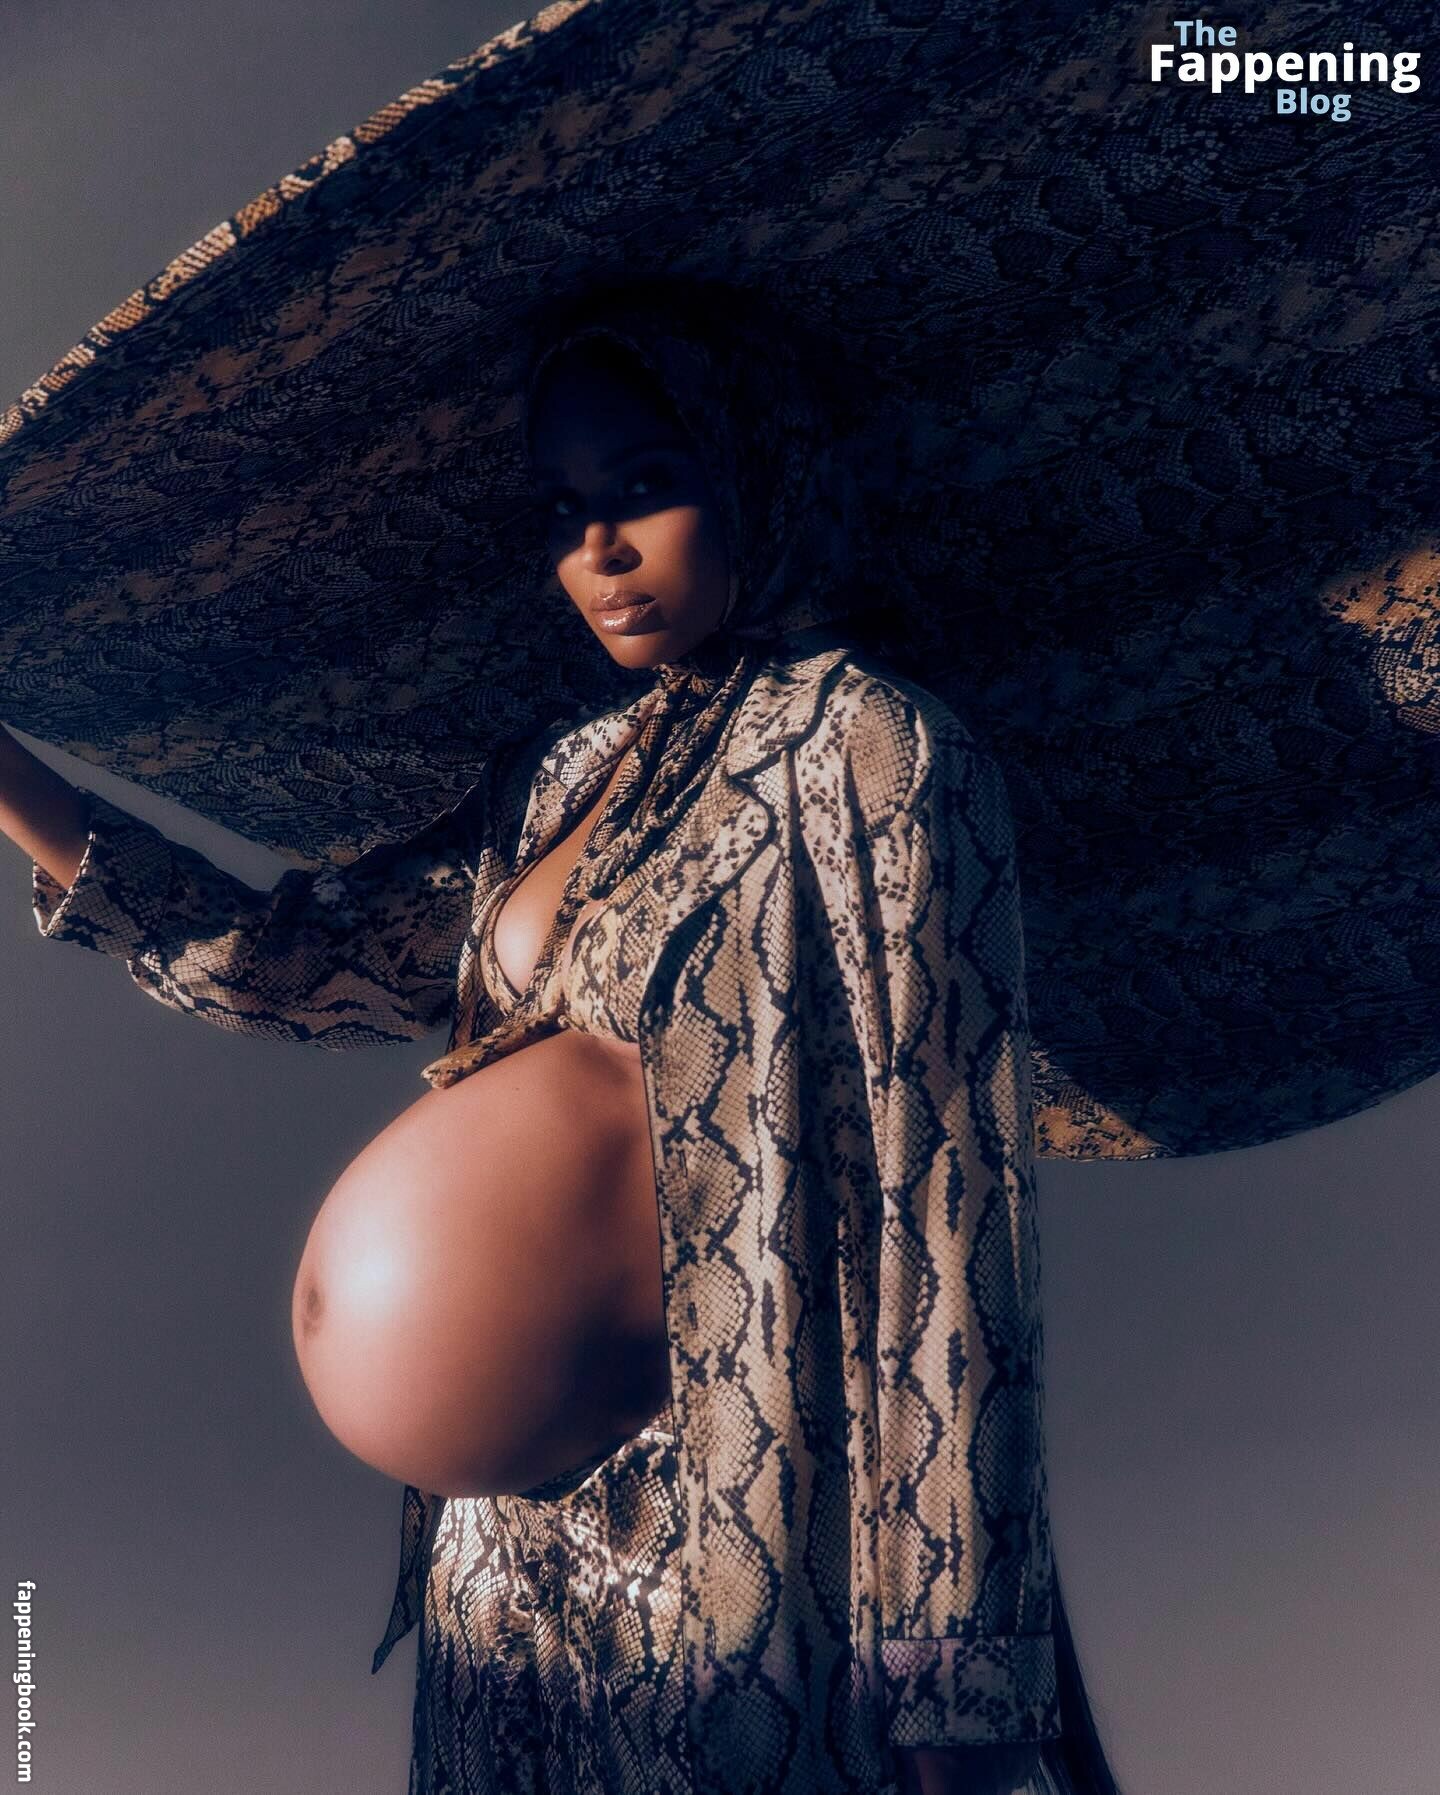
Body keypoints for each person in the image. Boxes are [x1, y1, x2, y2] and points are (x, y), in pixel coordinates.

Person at [0, 278, 1120, 1794]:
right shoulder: (560, 773)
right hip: (498, 1577)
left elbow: (949, 1205)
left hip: (720, 1532)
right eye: (565, 507)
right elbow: (300, 969)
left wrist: (956, 1682)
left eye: (645, 486)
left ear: (762, 468)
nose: (597, 549)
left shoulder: (872, 745)